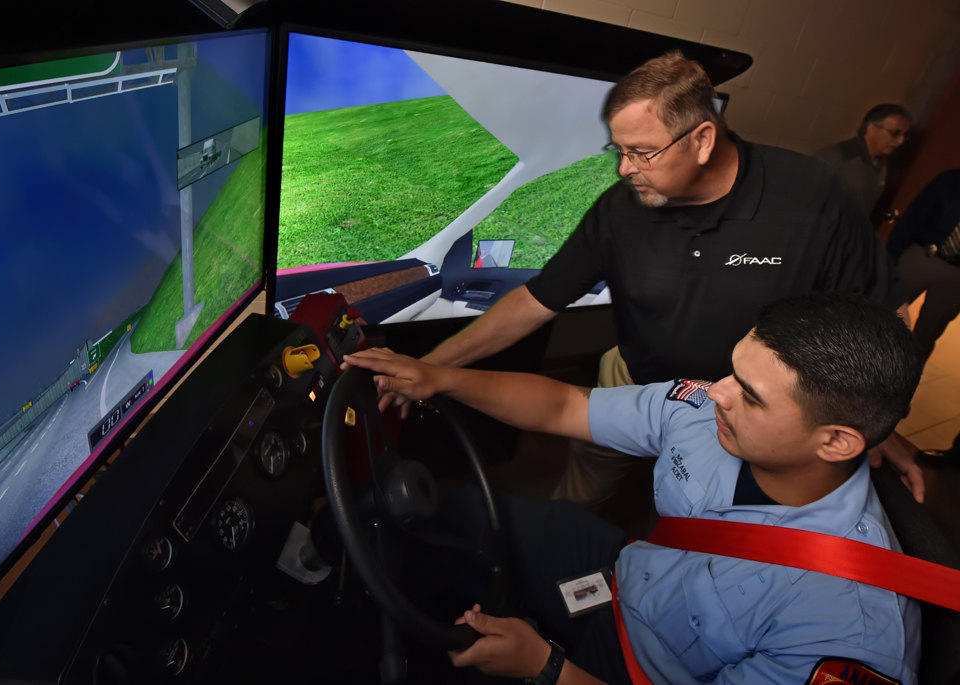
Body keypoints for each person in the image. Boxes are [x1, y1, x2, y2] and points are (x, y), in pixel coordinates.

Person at [410, 51, 920, 507]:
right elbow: (537, 300)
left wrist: (869, 422)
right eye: (620, 150)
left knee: (712, 524)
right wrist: (432, 365)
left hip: (743, 410)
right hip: (635, 385)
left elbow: (880, 319)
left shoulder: (812, 197)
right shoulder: (620, 209)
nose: (625, 169)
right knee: (579, 496)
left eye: (642, 152)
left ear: (702, 139)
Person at [344, 292, 923, 684]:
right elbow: (568, 405)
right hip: (629, 578)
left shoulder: (851, 626)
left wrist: (545, 668)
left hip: (640, 670)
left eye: (750, 395)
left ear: (837, 442)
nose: (716, 392)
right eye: (732, 372)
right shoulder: (708, 408)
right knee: (465, 513)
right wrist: (440, 377)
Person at [885, 168, 960, 362]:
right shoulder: (950, 180)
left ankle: (901, 381)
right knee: (881, 311)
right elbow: (914, 216)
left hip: (956, 276)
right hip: (921, 254)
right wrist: (891, 255)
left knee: (926, 335)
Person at [814, 103, 912, 225]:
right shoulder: (838, 157)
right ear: (871, 129)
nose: (900, 141)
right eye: (895, 133)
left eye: (904, 135)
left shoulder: (882, 163)